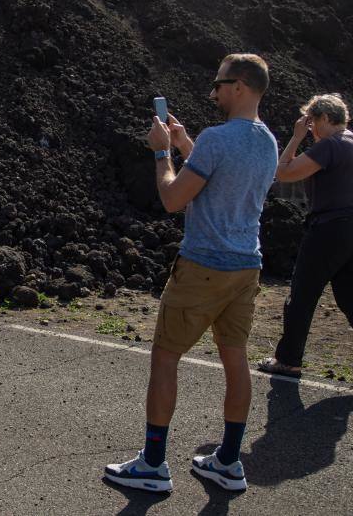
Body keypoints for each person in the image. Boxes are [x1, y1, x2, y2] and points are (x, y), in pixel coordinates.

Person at [104, 54, 277, 493]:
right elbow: (223, 177)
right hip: (246, 267)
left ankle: (154, 465)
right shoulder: (268, 141)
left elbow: (172, 198)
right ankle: (228, 462)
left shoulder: (218, 139)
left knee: (165, 358)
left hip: (203, 266)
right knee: (235, 360)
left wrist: (162, 151)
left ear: (238, 86)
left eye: (219, 84)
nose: (213, 92)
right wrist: (185, 145)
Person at [258, 94, 353, 377]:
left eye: (311, 123)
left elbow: (283, 172)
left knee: (303, 293)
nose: (310, 129)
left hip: (329, 228)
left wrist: (297, 137)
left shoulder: (330, 146)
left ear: (324, 119)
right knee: (350, 297)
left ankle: (288, 360)